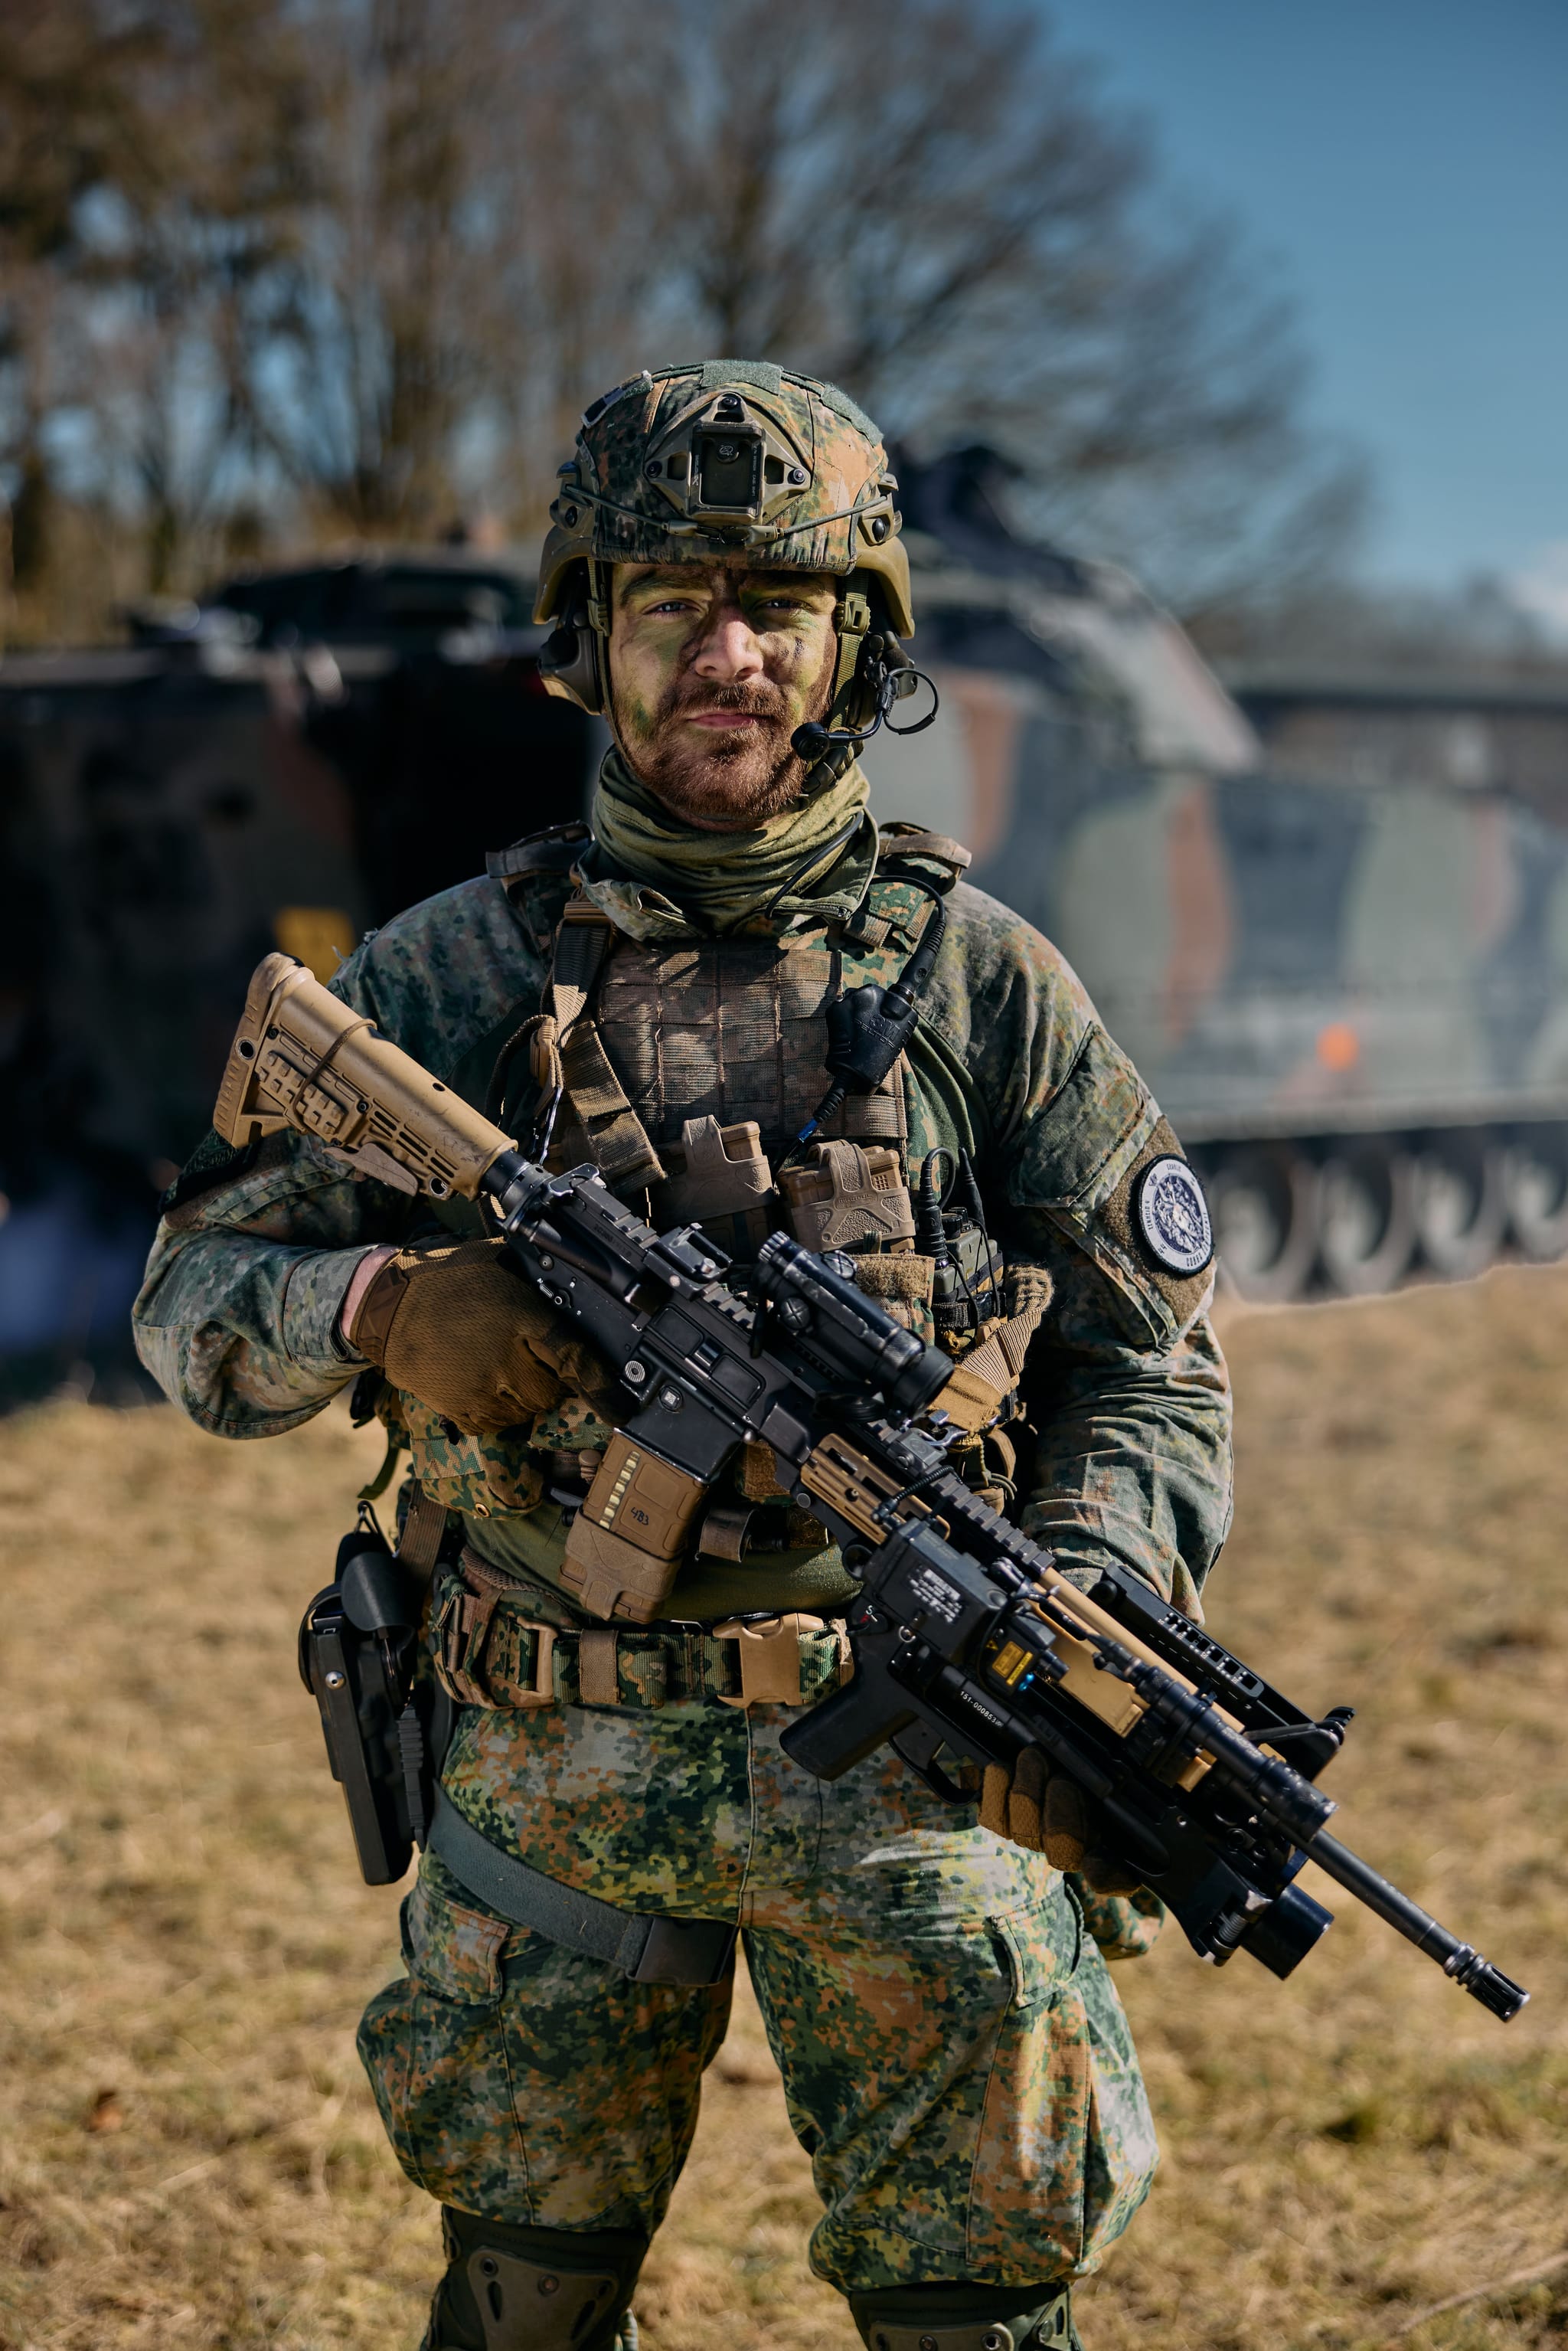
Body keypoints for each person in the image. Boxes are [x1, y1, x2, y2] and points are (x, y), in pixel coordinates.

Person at [134, 361, 1233, 2351]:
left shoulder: (984, 987)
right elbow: (193, 1300)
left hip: (919, 1781)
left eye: (777, 605)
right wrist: (379, 1310)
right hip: (543, 1763)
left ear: (852, 644)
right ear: (594, 638)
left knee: (980, 2315)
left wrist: (1095, 1579)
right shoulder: (452, 977)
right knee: (519, 2310)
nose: (727, 652)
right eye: (673, 605)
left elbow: (1150, 1370)